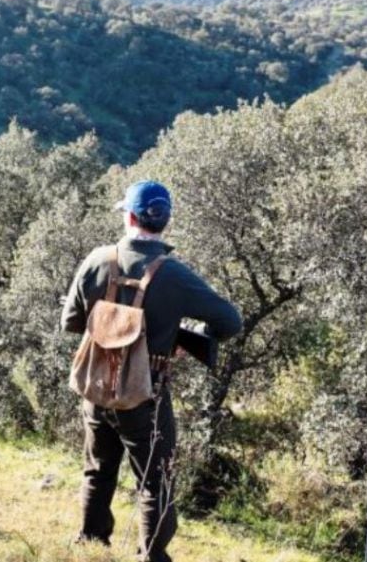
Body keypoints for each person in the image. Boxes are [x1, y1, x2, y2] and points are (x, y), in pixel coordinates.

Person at [61, 179, 242, 562]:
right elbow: (230, 321)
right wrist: (180, 336)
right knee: (154, 481)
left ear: (128, 216)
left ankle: (91, 543)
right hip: (147, 394)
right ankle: (152, 557)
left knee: (97, 468)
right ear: (165, 222)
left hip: (96, 387)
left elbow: (71, 322)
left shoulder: (97, 259)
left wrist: (111, 328)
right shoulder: (173, 274)